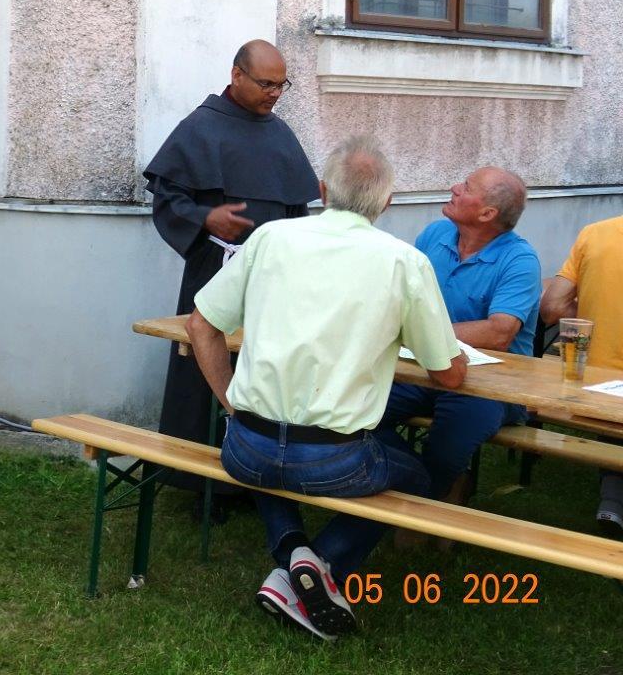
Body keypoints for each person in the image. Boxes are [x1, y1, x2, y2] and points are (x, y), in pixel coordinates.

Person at [185, 136, 463, 641]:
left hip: (243, 449)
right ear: (387, 201)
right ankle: (324, 565)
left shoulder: (269, 238)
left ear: (322, 190)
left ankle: (292, 553)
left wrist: (231, 405)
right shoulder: (403, 261)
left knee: (272, 455)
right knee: (418, 478)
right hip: (334, 462)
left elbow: (200, 325)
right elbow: (448, 375)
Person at [143, 40, 318, 501]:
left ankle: (256, 476)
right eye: (266, 84)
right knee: (204, 365)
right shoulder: (200, 127)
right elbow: (168, 201)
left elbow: (296, 208)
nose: (275, 93)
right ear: (237, 75)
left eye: (281, 85)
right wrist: (206, 218)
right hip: (215, 270)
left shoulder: (280, 133)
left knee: (262, 366)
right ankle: (196, 481)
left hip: (272, 279)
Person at [376, 168, 541, 502]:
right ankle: (426, 485)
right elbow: (403, 295)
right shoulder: (435, 234)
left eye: (466, 187)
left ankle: (421, 501)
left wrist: (420, 334)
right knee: (361, 413)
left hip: (492, 385)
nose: (453, 187)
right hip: (426, 368)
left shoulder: (520, 260)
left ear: (487, 214)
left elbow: (499, 333)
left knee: (448, 444)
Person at [541, 215, 623, 536]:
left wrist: (592, 307)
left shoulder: (595, 234)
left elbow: (552, 308)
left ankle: (613, 498)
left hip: (598, 383)